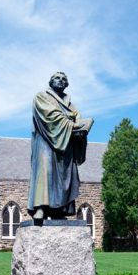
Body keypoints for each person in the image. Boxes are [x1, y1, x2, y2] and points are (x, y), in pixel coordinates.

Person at [27, 72, 94, 222]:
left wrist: (80, 131)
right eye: (57, 78)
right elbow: (51, 118)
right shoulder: (41, 97)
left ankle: (59, 211)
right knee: (45, 171)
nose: (61, 80)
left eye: (64, 79)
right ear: (51, 82)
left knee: (64, 177)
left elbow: (78, 121)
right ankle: (40, 208)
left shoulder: (71, 105)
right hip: (46, 142)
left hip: (66, 147)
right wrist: (72, 124)